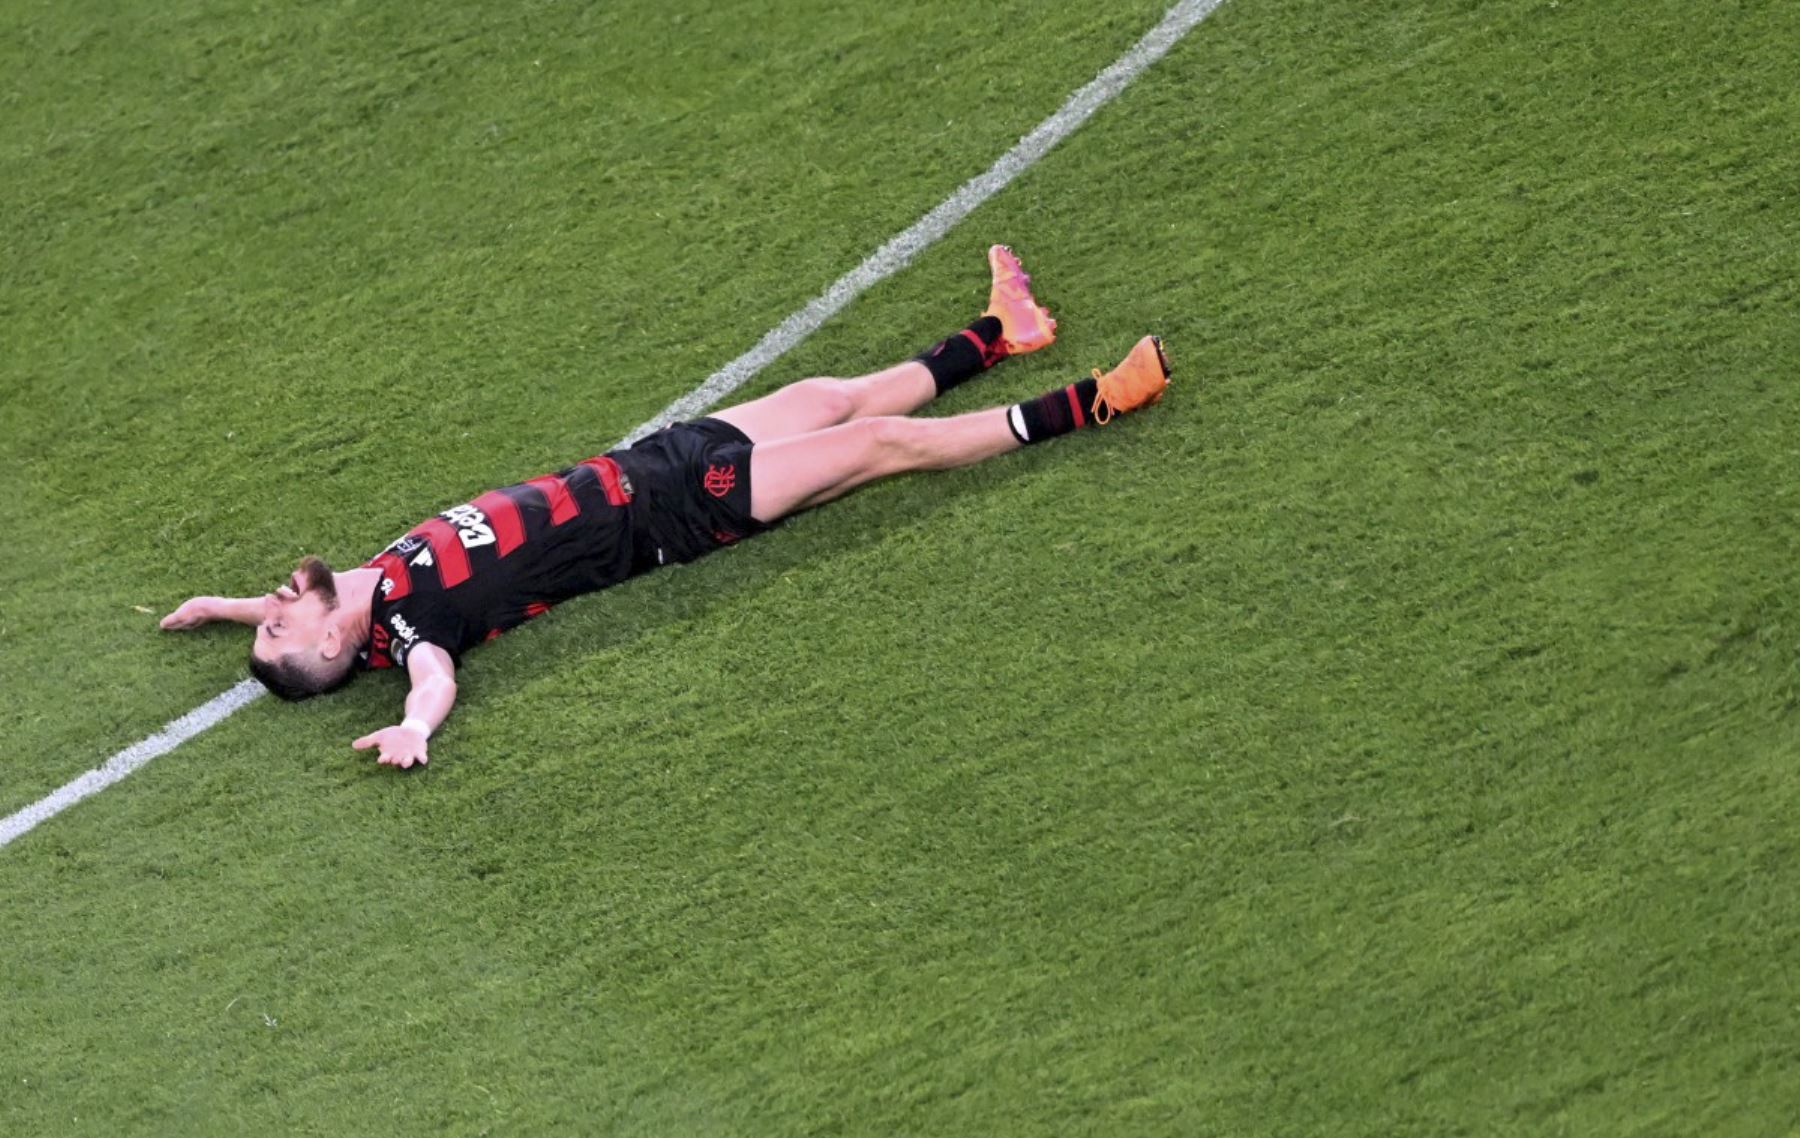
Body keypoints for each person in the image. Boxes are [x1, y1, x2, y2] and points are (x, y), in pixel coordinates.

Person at [160, 246, 1172, 768]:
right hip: (680, 514)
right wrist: (417, 729)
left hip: (651, 460)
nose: (280, 601)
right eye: (287, 620)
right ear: (337, 645)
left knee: (833, 397)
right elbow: (430, 681)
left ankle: (1002, 332)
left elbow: (292, 612)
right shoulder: (417, 629)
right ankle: (1092, 402)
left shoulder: (356, 593)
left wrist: (226, 612)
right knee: (876, 446)